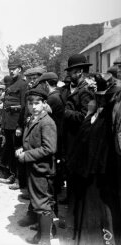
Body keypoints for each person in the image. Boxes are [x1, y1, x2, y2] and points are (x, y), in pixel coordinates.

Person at [67, 73, 121, 245]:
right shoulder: (92, 118)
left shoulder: (106, 121)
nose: (96, 102)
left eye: (101, 99)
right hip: (88, 177)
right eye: (96, 98)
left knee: (104, 215)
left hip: (102, 178)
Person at [15, 88, 57, 245]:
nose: (33, 106)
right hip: (34, 168)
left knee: (43, 204)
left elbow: (49, 148)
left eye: (37, 103)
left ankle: (45, 240)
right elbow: (30, 141)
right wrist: (22, 149)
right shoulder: (32, 119)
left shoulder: (47, 122)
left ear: (44, 104)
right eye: (30, 103)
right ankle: (40, 236)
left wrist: (26, 155)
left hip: (42, 169)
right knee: (38, 203)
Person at [63, 54, 95, 204]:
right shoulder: (70, 88)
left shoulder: (86, 91)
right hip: (69, 136)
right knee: (69, 167)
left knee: (77, 169)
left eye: (72, 72)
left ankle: (76, 201)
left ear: (80, 71)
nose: (69, 75)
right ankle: (70, 198)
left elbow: (85, 116)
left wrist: (65, 112)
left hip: (79, 137)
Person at [0, 61, 28, 190]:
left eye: (14, 69)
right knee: (11, 151)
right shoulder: (11, 84)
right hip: (7, 124)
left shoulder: (23, 84)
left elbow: (24, 107)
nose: (11, 71)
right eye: (10, 69)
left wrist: (19, 126)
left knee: (18, 152)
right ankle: (12, 174)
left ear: (20, 69)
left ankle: (19, 179)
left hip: (16, 124)